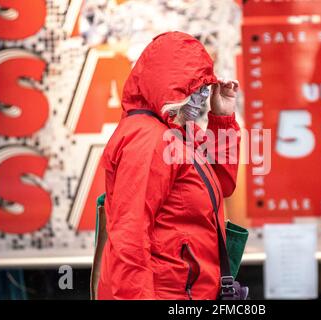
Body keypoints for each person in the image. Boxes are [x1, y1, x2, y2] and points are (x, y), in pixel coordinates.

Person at [96, 31, 240, 300]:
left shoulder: (176, 133)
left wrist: (222, 118)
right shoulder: (149, 138)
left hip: (188, 292)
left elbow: (221, 187)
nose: (201, 98)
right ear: (171, 86)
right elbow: (130, 237)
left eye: (204, 88)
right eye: (194, 89)